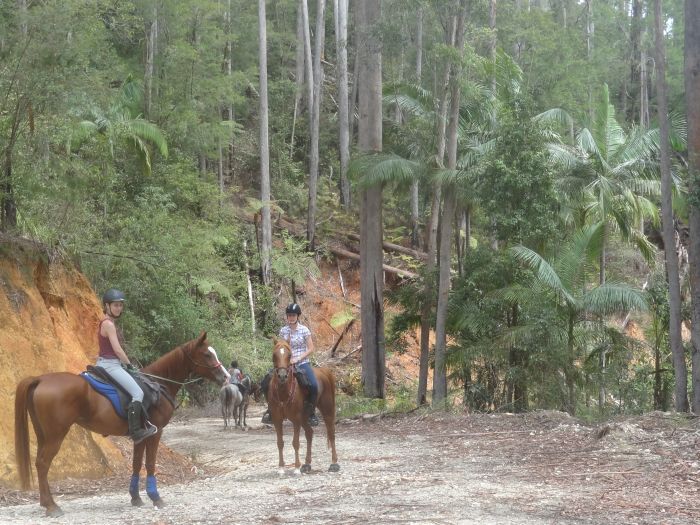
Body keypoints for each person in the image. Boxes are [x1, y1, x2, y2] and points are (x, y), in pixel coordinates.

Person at [97, 288, 157, 444]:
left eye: (120, 305)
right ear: (107, 306)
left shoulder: (109, 323)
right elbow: (117, 350)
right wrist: (129, 365)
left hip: (109, 363)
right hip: (111, 365)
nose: (118, 308)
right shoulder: (108, 324)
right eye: (115, 305)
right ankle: (136, 432)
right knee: (137, 393)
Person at [261, 303, 319, 426]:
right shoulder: (283, 330)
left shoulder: (304, 330)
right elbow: (281, 347)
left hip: (302, 362)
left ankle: (311, 413)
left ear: (297, 316)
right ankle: (271, 410)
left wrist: (297, 358)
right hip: (284, 363)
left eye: (293, 315)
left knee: (313, 385)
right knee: (265, 382)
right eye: (289, 315)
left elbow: (311, 348)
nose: (291, 317)